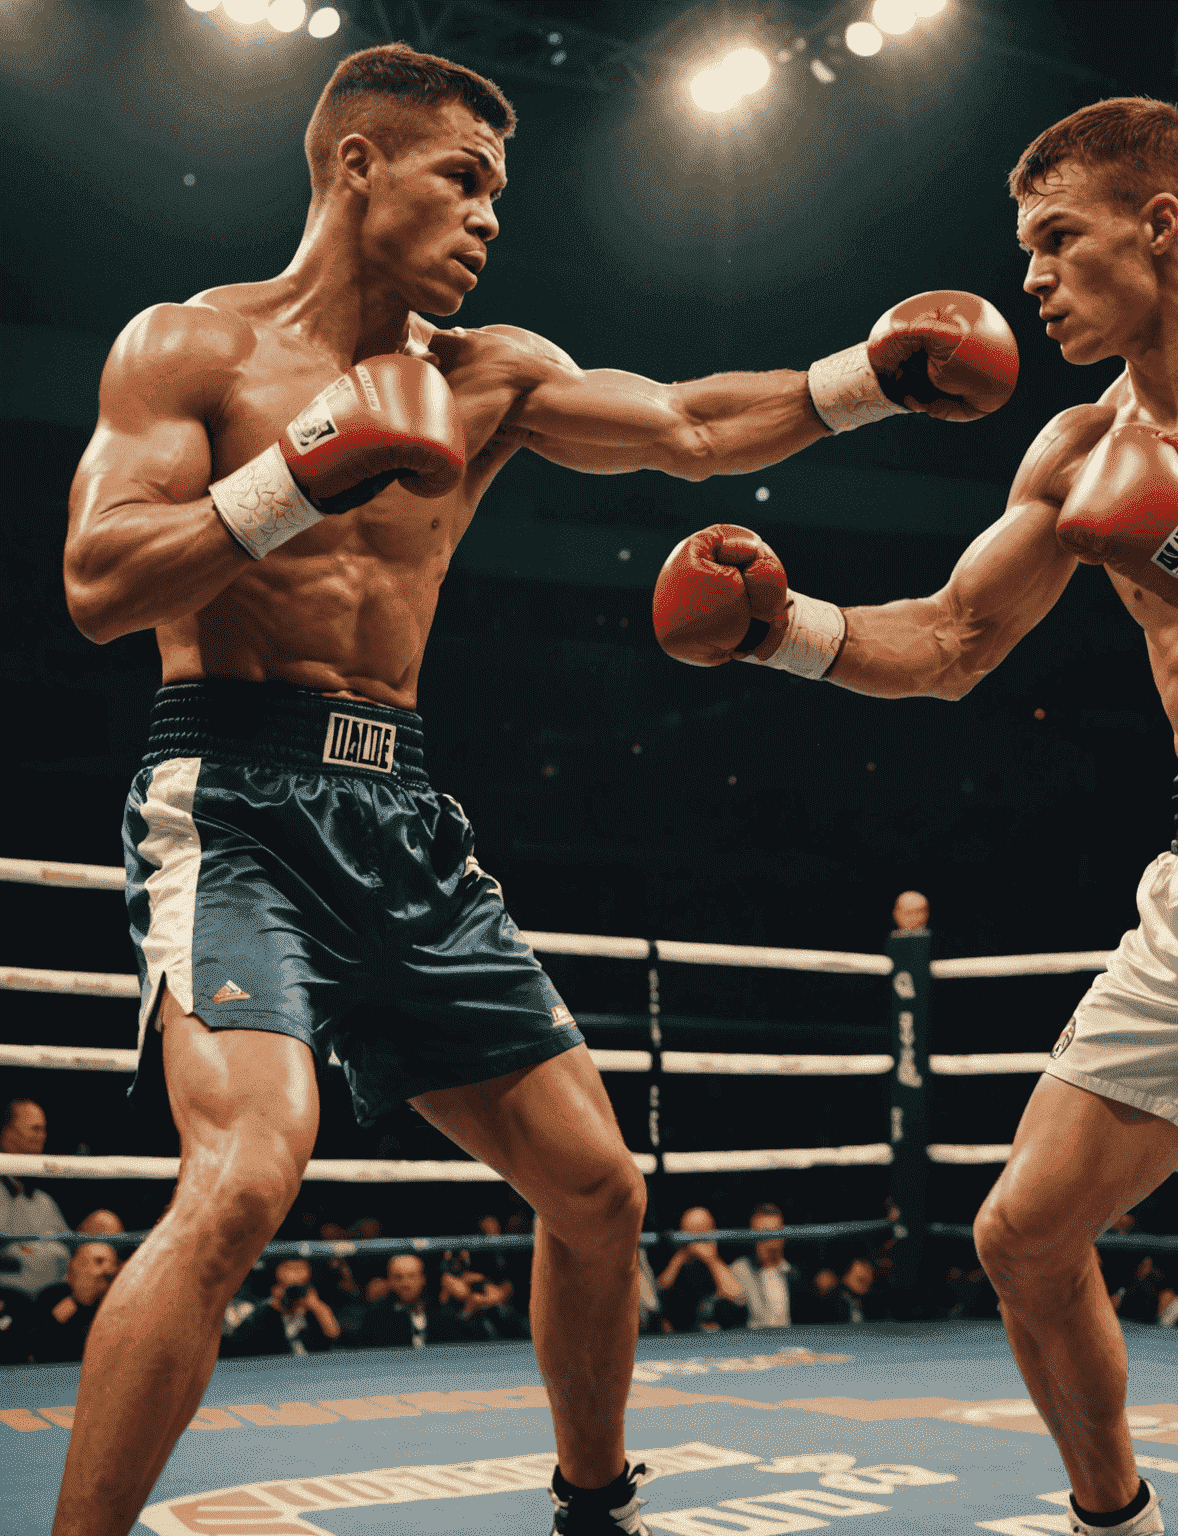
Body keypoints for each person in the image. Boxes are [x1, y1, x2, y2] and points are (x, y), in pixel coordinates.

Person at [54, 39, 1010, 1536]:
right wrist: (300, 470)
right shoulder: (191, 350)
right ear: (357, 165)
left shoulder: (487, 374)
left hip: (406, 819)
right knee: (246, 1177)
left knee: (599, 1188)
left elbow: (691, 426)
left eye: (500, 189)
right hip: (232, 799)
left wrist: (871, 381)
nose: (493, 215)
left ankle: (593, 1506)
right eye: (465, 178)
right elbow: (100, 583)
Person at [654, 96, 1178, 1536]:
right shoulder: (1078, 445)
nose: (1028, 278)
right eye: (1023, 248)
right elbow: (955, 641)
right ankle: (1119, 1523)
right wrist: (781, 630)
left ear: (1160, 226)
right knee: (1025, 1236)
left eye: (1056, 240)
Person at [1, 1097, 72, 1302]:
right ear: (8, 1134)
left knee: (103, 1223)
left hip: (52, 1302)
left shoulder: (44, 1201)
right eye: (35, 1129)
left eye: (44, 1129)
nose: (42, 1136)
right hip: (12, 1303)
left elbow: (71, 1250)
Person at [653, 1207, 748, 1333]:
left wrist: (712, 1260)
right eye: (690, 1234)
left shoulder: (724, 1258)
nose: (696, 1241)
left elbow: (739, 1299)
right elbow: (657, 1297)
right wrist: (681, 1256)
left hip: (724, 1339)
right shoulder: (675, 1262)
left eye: (702, 1233)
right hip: (683, 1339)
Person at [224, 1257, 341, 1356]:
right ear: (277, 1289)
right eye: (290, 1289)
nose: (294, 1295)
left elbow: (333, 1334)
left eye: (300, 1289)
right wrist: (276, 1308)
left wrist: (317, 1306)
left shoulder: (313, 1311)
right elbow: (238, 1346)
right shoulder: (265, 1315)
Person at [727, 1203, 817, 1329]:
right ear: (752, 1237)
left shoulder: (796, 1273)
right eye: (762, 1234)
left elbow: (810, 1317)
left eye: (774, 1233)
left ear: (783, 1236)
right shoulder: (739, 1269)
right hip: (751, 1344)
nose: (769, 1240)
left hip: (790, 1344)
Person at [30, 1243, 122, 1364]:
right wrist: (78, 1300)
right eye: (99, 1261)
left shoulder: (119, 1301)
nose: (109, 1269)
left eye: (113, 1263)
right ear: (76, 1265)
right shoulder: (52, 1296)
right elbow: (39, 1349)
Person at [358, 1253, 463, 1349]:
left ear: (422, 1279)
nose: (405, 1284)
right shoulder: (376, 1319)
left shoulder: (442, 1313)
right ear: (389, 1282)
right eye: (398, 1278)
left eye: (412, 1276)